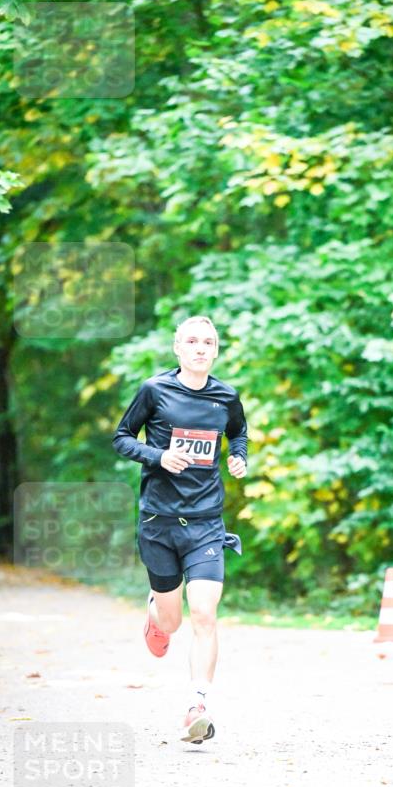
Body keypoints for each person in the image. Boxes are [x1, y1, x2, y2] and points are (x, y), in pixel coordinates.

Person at [112, 315, 247, 743]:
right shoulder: (155, 390)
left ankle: (197, 706)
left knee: (205, 615)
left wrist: (238, 456)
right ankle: (156, 612)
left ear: (216, 350)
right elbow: (121, 437)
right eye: (192, 341)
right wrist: (157, 456)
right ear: (178, 348)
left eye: (208, 342)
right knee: (172, 623)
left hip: (206, 522)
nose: (200, 348)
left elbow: (238, 432)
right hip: (159, 521)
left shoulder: (226, 396)